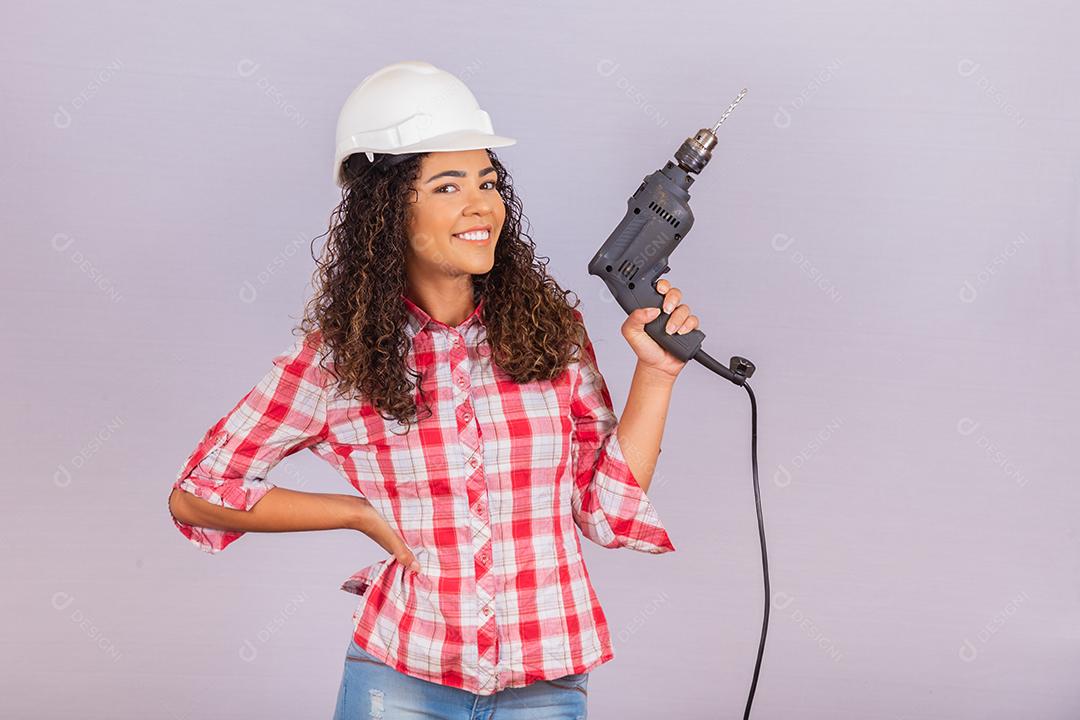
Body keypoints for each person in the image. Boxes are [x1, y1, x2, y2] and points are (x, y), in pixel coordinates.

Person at [167, 61, 700, 719]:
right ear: (389, 211)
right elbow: (199, 494)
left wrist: (656, 373)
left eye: (488, 181)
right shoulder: (339, 358)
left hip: (546, 682)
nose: (481, 205)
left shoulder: (551, 333)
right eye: (448, 186)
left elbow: (603, 509)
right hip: (401, 680)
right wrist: (356, 513)